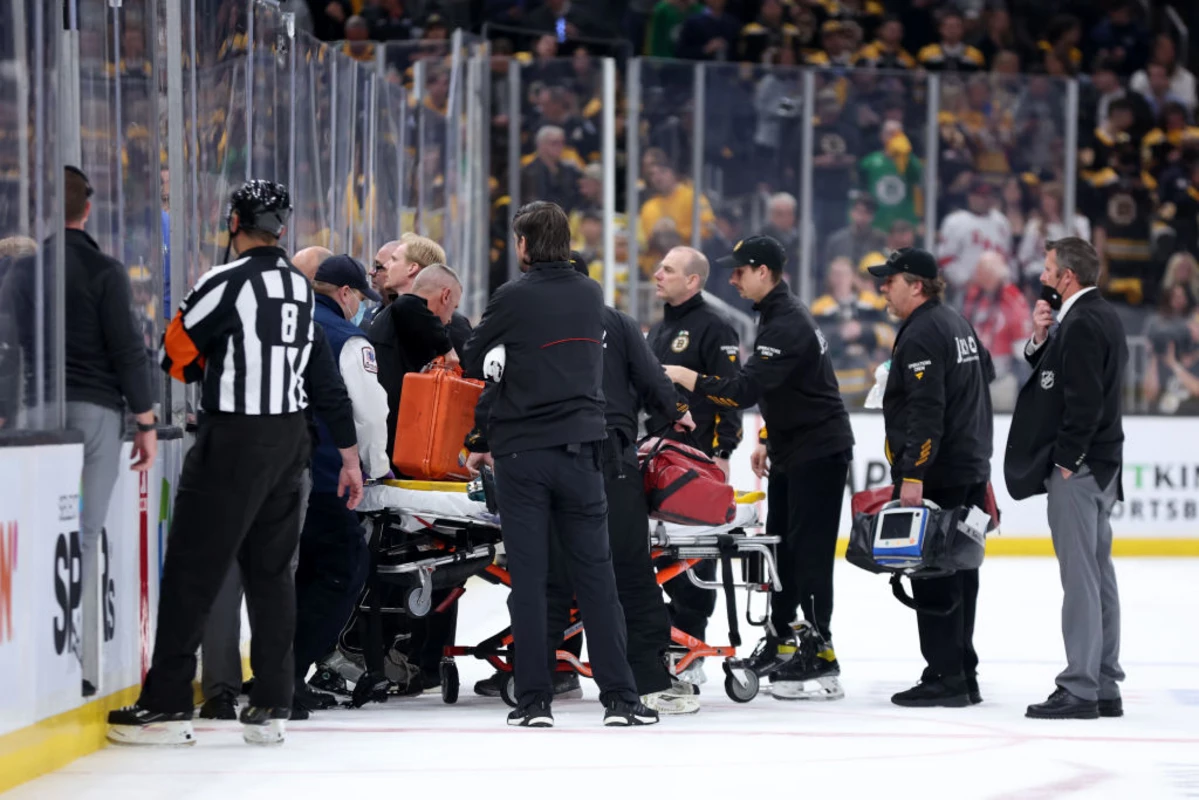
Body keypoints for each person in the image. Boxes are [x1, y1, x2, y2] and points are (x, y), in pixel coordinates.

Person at [107, 180, 364, 747]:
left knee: (193, 570)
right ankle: (271, 702)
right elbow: (323, 379)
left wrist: (212, 367)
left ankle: (168, 702)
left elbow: (175, 355)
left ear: (233, 222)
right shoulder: (300, 291)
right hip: (291, 442)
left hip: (234, 437)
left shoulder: (220, 281)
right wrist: (349, 455)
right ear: (281, 227)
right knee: (272, 575)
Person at [461, 201, 658, 728]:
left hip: (523, 455)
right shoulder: (591, 293)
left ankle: (534, 702)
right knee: (598, 578)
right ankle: (620, 698)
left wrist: (504, 353)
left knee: (530, 579)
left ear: (524, 245)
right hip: (581, 452)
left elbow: (471, 356)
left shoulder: (512, 297)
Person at [663, 235, 854, 701]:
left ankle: (819, 653)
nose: (732, 279)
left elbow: (745, 390)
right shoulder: (774, 316)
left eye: (741, 271)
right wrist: (768, 436)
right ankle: (786, 639)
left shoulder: (787, 322)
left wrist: (688, 377)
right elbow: (785, 387)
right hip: (793, 447)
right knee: (784, 551)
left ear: (764, 272)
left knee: (807, 554)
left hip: (819, 451)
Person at [4, 166, 158, 695]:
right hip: (95, 411)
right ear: (87, 210)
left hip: (37, 410)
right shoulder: (105, 270)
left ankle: (28, 660)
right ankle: (83, 666)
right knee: (84, 537)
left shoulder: (22, 273)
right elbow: (127, 349)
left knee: (40, 536)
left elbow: (10, 345)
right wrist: (145, 420)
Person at [541, 253, 698, 714]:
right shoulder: (619, 324)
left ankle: (536, 678)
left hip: (546, 461)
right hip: (610, 462)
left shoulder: (529, 322)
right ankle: (648, 681)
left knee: (547, 576)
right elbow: (655, 383)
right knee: (629, 572)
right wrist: (679, 414)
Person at [866, 248, 995, 708]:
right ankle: (962, 669)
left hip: (938, 472)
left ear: (916, 285)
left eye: (890, 280)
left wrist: (913, 476)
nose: (883, 288)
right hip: (970, 467)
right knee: (961, 569)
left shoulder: (920, 332)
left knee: (933, 572)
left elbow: (926, 411)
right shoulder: (956, 322)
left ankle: (945, 676)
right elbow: (988, 373)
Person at [1005, 237, 1128, 720]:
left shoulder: (1081, 323)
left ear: (1067, 278)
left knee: (1080, 576)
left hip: (1079, 469)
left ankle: (1079, 686)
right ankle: (1103, 681)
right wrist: (1040, 340)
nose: (1042, 276)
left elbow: (1084, 400)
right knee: (1098, 573)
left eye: (1049, 268)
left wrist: (1066, 460)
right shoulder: (1097, 317)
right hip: (1102, 464)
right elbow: (1066, 379)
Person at [292, 255, 391, 716]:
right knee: (343, 567)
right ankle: (292, 672)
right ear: (346, 294)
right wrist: (376, 465)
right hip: (330, 471)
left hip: (277, 467)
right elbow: (369, 411)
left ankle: (279, 670)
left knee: (290, 573)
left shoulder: (284, 322)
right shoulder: (348, 339)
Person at [645, 245, 742, 687]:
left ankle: (693, 646)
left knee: (696, 559)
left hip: (699, 461)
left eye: (668, 269)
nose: (657, 274)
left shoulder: (715, 327)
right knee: (661, 554)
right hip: (659, 455)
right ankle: (670, 637)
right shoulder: (659, 330)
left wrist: (724, 451)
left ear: (693, 281)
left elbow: (732, 393)